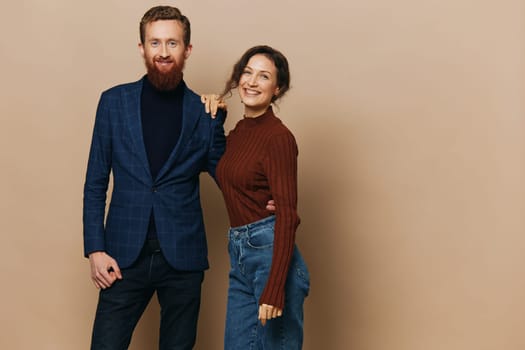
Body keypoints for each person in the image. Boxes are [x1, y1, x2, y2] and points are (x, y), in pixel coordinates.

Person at [83, 6, 229, 349]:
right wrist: (95, 249)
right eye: (155, 43)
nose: (163, 52)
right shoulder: (113, 103)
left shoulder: (204, 113)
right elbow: (95, 182)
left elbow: (228, 179)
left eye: (173, 43)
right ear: (142, 48)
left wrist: (266, 201)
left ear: (187, 50)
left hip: (182, 257)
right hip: (122, 255)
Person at [214, 45, 310, 349]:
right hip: (240, 255)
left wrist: (274, 288)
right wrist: (215, 116)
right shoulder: (239, 132)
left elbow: (287, 215)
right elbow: (227, 178)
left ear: (277, 88)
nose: (252, 82)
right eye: (247, 72)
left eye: (264, 76)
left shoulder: (279, 138)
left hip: (271, 258)